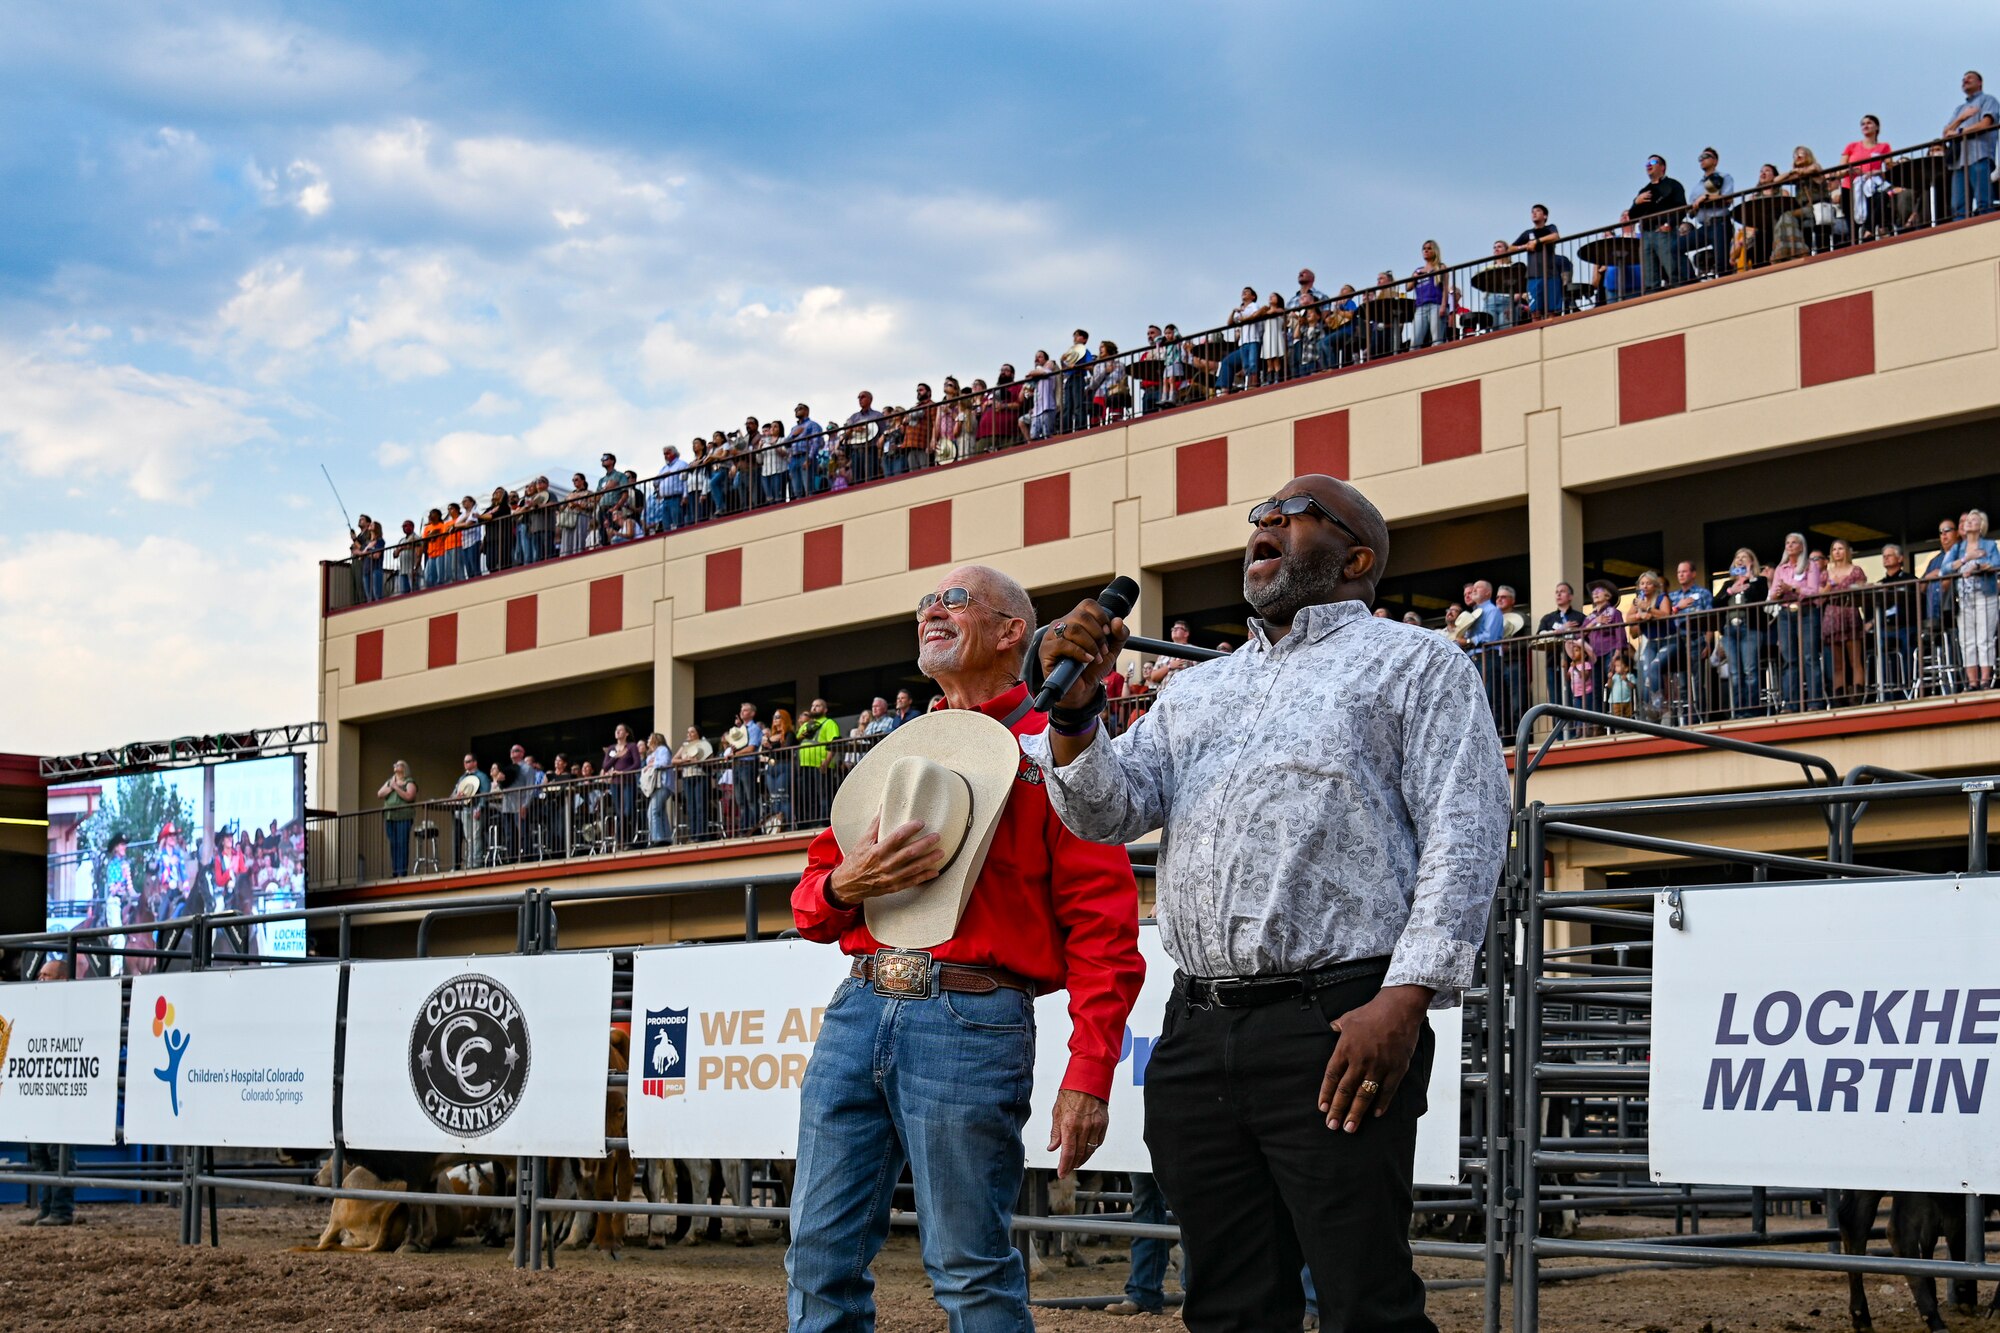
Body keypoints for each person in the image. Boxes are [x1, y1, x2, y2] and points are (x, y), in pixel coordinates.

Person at [1026, 474, 1509, 1333]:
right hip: (1198, 1030)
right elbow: (1108, 809)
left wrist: (1404, 998)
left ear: (1356, 557)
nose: (1267, 523)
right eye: (1261, 514)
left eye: (1296, 514)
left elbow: (1466, 830)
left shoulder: (1416, 662)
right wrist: (1075, 712)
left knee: (1366, 1301)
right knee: (1227, 1302)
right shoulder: (1199, 690)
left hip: (1337, 1021)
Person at [785, 564, 1146, 1333]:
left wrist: (1089, 1072)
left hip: (966, 1013)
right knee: (819, 1253)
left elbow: (1104, 923)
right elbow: (813, 899)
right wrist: (846, 885)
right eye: (924, 604)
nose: (930, 613)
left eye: (953, 601)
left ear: (1013, 630)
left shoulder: (1060, 746)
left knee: (968, 1268)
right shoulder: (908, 746)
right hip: (871, 1004)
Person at [1940, 510, 2000, 689]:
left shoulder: (1989, 545)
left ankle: (1985, 680)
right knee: (1967, 639)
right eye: (1968, 520)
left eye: (1975, 520)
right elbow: (1944, 570)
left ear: (1981, 525)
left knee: (1985, 638)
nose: (1970, 522)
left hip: (1985, 595)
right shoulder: (1957, 548)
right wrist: (1967, 558)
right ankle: (1972, 682)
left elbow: (1996, 564)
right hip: (1964, 599)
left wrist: (1978, 566)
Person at [1770, 533, 1826, 711]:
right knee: (1789, 660)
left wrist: (1792, 588)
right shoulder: (1781, 568)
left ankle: (1815, 702)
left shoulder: (1811, 566)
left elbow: (1814, 591)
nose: (1790, 545)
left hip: (1807, 611)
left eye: (1794, 543)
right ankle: (1791, 703)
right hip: (1786, 614)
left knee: (1810, 657)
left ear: (1802, 547)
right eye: (1787, 543)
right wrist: (1779, 592)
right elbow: (1771, 595)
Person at [1717, 549, 1769, 719]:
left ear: (1751, 562)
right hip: (1729, 631)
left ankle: (1752, 709)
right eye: (1737, 558)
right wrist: (1732, 590)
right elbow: (1715, 603)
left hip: (1750, 629)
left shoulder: (1759, 581)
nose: (1739, 560)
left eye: (1743, 558)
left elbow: (1759, 599)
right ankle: (1739, 711)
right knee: (1735, 673)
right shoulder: (1727, 584)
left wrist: (1748, 581)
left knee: (1750, 671)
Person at [1942, 70, 2000, 221]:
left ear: (1980, 82)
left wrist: (1960, 131)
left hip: (1979, 156)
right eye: (1963, 78)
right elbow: (1945, 133)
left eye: (1969, 78)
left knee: (1983, 201)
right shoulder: (1960, 109)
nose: (1965, 80)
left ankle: (1986, 230)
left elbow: (1986, 124)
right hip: (1959, 162)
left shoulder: (1988, 100)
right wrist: (1961, 118)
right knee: (1958, 206)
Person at [1663, 560, 1716, 721]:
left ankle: (1702, 718)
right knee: (1683, 684)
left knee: (1697, 682)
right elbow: (1665, 618)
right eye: (1679, 572)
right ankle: (1686, 720)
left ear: (1693, 573)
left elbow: (1710, 619)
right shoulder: (1672, 596)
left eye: (1684, 571)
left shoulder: (1703, 593)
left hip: (1696, 639)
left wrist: (1708, 643)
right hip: (1677, 641)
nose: (1681, 575)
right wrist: (1677, 607)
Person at [1820, 540, 1871, 703]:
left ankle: (1857, 694)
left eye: (1840, 548)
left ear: (1847, 551)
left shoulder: (1855, 571)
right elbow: (1819, 598)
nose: (1837, 552)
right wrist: (1828, 586)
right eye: (1834, 549)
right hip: (1832, 613)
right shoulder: (1825, 574)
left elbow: (1863, 592)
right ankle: (1839, 697)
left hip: (1850, 611)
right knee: (1837, 662)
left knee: (1855, 658)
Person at [1630, 154, 1689, 293]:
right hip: (1646, 235)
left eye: (1653, 162)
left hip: (1663, 232)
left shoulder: (1673, 185)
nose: (1648, 165)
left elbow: (1681, 208)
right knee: (1649, 275)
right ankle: (1652, 298)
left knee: (1673, 268)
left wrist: (1669, 225)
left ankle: (1680, 292)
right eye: (1647, 163)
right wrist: (1636, 202)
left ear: (1662, 167)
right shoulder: (1644, 191)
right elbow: (1632, 216)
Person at [1841, 116, 1897, 238]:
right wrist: (1851, 170)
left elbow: (1889, 166)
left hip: (1871, 186)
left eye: (1869, 123)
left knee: (1880, 200)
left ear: (1876, 127)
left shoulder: (1884, 147)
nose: (1865, 126)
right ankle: (1854, 244)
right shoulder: (1852, 146)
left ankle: (1869, 231)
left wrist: (1875, 171)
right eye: (1863, 124)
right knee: (1852, 219)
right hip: (1850, 186)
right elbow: (1841, 169)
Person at [1683, 148, 1735, 278]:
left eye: (1706, 156)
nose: (1702, 159)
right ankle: (1690, 281)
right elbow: (1690, 212)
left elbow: (1728, 199)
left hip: (1720, 223)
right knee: (1675, 248)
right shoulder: (1697, 187)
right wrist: (1694, 207)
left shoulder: (1724, 177)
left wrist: (1705, 198)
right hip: (1704, 227)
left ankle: (1727, 290)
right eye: (1700, 157)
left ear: (1715, 161)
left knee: (1722, 264)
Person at [1535, 583, 1585, 718]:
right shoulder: (1548, 618)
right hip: (1553, 662)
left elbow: (1585, 637)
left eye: (1562, 591)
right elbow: (1539, 635)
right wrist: (1561, 629)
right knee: (1555, 700)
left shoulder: (1579, 617)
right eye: (1556, 592)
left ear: (1570, 596)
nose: (1558, 594)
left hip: (1574, 664)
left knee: (1574, 696)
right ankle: (1559, 735)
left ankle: (1574, 730)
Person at [1876, 543, 1919, 695]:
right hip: (1885, 628)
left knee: (1907, 647)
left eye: (1890, 555)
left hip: (1905, 626)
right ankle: (1886, 692)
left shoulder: (1910, 579)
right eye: (1884, 556)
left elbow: (1916, 604)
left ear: (1900, 558)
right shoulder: (1880, 584)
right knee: (1879, 649)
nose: (1886, 558)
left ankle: (1908, 689)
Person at [795, 698, 843, 823]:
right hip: (805, 765)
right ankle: (811, 822)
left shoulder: (829, 723)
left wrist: (827, 761)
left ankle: (824, 823)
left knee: (823, 795)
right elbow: (797, 738)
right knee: (808, 796)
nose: (814, 708)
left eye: (818, 706)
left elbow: (834, 743)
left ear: (825, 709)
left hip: (820, 765)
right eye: (812, 706)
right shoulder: (806, 724)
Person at [1511, 204, 1563, 319]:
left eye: (1538, 211)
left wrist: (1537, 242)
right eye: (1532, 211)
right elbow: (1511, 248)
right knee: (1535, 311)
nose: (1534, 213)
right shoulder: (1527, 233)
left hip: (1551, 274)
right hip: (1533, 276)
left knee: (1552, 311)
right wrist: (1525, 246)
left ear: (1544, 216)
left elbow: (1555, 236)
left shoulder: (1549, 228)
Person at [1216, 286, 1265, 393]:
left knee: (1253, 363)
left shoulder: (1254, 306)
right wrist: (1234, 312)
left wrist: (1243, 318)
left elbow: (1254, 316)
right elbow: (1229, 323)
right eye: (1243, 292)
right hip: (1243, 342)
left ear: (1253, 296)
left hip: (1253, 339)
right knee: (1246, 365)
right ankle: (1247, 385)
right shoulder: (1241, 310)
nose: (1244, 293)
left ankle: (1253, 385)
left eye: (1247, 292)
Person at [671, 726, 714, 840]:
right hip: (687, 777)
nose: (689, 734)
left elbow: (711, 761)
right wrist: (684, 761)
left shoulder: (704, 744)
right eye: (688, 732)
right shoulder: (685, 746)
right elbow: (673, 760)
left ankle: (702, 834)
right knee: (691, 807)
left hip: (701, 776)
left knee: (700, 806)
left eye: (692, 732)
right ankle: (693, 834)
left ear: (698, 733)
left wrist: (699, 761)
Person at [1408, 241, 1452, 349]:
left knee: (1437, 339)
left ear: (1435, 251)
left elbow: (1445, 288)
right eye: (1424, 249)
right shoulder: (1418, 271)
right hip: (1420, 307)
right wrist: (1414, 277)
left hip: (1436, 305)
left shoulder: (1441, 267)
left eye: (1429, 248)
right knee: (1414, 341)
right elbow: (1408, 287)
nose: (1426, 250)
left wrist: (1443, 305)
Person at [378, 761, 418, 877]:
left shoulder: (409, 782)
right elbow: (380, 794)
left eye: (399, 764)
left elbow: (409, 796)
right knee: (393, 844)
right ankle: (395, 871)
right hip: (390, 817)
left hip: (403, 816)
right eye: (394, 764)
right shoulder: (390, 782)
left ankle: (402, 872)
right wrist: (392, 787)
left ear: (404, 768)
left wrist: (396, 787)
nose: (395, 765)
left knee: (402, 844)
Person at [761, 709, 795, 833]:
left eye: (778, 717)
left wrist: (770, 746)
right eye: (774, 717)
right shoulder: (771, 736)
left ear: (784, 718)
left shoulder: (789, 734)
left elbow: (787, 750)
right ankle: (776, 826)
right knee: (774, 798)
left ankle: (787, 824)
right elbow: (765, 754)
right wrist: (766, 746)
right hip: (771, 767)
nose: (775, 719)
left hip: (784, 765)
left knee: (783, 796)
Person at [1059, 328, 1095, 434]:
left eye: (1078, 335)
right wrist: (1063, 361)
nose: (1075, 338)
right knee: (1067, 406)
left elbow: (1090, 366)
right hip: (1070, 378)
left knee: (1078, 404)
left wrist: (1078, 366)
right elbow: (1065, 369)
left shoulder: (1085, 351)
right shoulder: (1072, 352)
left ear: (1084, 339)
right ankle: (1066, 430)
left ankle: (1080, 429)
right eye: (1074, 335)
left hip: (1078, 377)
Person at [644, 731, 675, 846]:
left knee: (652, 811)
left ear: (655, 740)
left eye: (650, 738)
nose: (647, 740)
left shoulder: (663, 749)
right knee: (660, 812)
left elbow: (665, 762)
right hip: (655, 786)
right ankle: (665, 838)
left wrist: (652, 764)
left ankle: (657, 838)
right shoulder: (652, 753)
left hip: (662, 784)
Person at [1025, 349, 1062, 440]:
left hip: (1047, 407)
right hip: (1037, 410)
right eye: (1036, 357)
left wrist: (1031, 373)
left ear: (1046, 360)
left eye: (1040, 356)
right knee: (1033, 436)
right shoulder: (1036, 376)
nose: (1037, 359)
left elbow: (1040, 372)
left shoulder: (1049, 368)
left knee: (1047, 434)